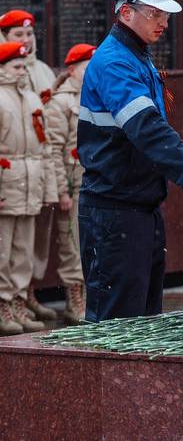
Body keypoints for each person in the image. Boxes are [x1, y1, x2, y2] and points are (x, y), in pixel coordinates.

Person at [78, 0, 183, 322]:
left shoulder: (136, 56)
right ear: (126, 11)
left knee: (143, 325)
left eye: (166, 13)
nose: (163, 21)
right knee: (114, 330)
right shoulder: (115, 62)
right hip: (114, 214)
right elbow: (147, 129)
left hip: (138, 209)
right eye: (156, 12)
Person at [0, 9, 59, 321]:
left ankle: (23, 298)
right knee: (5, 247)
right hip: (9, 179)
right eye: (17, 35)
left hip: (32, 177)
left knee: (28, 245)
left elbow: (46, 139)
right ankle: (5, 303)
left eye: (29, 34)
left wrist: (50, 186)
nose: (26, 41)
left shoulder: (40, 78)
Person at [42, 44, 96, 324]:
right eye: (86, 69)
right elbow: (52, 149)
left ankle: (90, 295)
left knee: (91, 242)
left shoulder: (94, 96)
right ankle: (75, 298)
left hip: (93, 182)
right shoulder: (60, 102)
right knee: (72, 244)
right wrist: (61, 189)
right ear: (72, 70)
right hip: (72, 185)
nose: (91, 74)